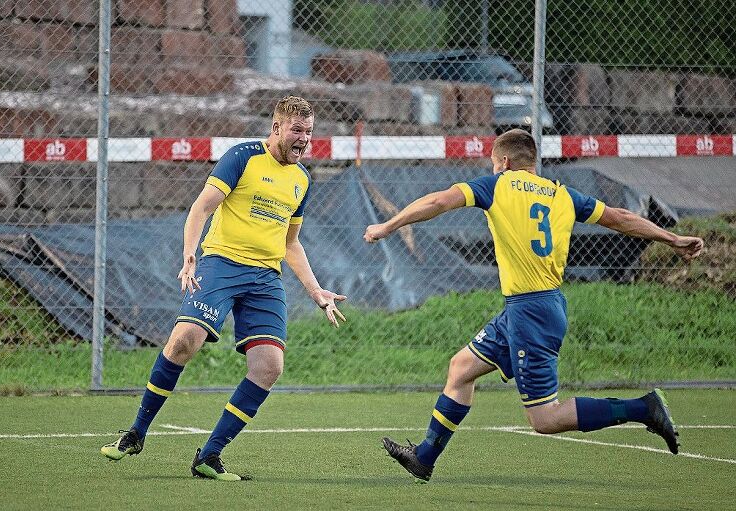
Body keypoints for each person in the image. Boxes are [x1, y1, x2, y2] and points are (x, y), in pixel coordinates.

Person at [363, 128, 704, 482]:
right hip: (528, 308)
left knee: (545, 419)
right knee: (461, 368)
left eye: (495, 163)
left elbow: (437, 202)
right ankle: (424, 458)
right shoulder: (562, 194)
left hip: (532, 313)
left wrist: (389, 225)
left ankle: (643, 408)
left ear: (505, 162)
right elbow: (620, 217)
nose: (493, 169)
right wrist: (672, 237)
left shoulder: (497, 186)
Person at [101, 96, 346, 481]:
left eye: (309, 132)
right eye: (297, 131)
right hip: (221, 264)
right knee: (185, 340)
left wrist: (315, 290)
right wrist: (189, 255)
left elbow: (290, 242)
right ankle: (136, 433)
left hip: (265, 279)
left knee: (269, 367)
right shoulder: (243, 157)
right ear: (277, 128)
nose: (304, 139)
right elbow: (201, 207)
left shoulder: (302, 180)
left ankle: (209, 456)